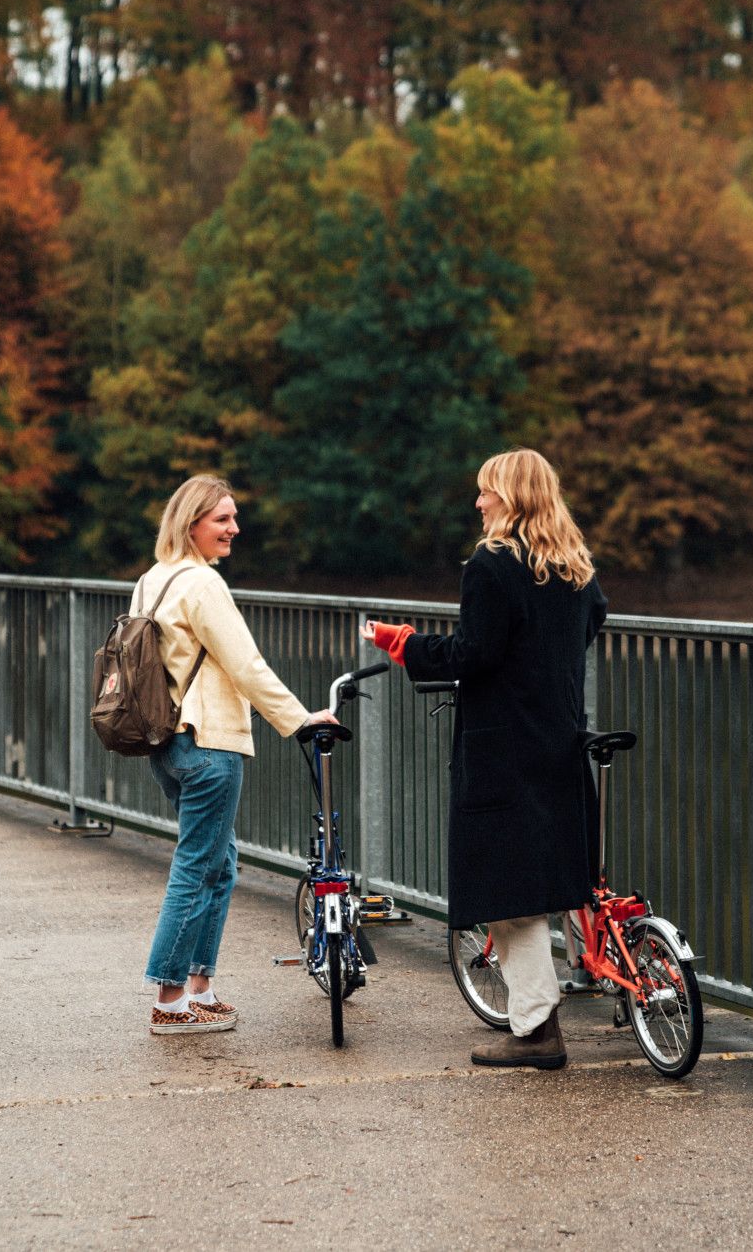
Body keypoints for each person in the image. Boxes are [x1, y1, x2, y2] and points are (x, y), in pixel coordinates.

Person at [362, 448, 607, 1069]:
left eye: (486, 491)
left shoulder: (491, 565)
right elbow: (588, 626)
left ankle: (536, 1031)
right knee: (548, 873)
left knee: (504, 888)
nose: (478, 502)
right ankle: (569, 993)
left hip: (503, 750)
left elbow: (474, 655)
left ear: (512, 496)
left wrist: (407, 646)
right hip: (559, 739)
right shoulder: (575, 567)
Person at [136, 475, 337, 1035]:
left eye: (233, 517)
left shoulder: (153, 580)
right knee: (197, 867)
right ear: (192, 522)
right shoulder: (202, 585)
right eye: (222, 519)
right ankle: (169, 999)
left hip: (168, 744)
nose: (234, 528)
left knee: (219, 867)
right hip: (208, 744)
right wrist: (299, 719)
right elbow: (246, 665)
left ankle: (200, 987)